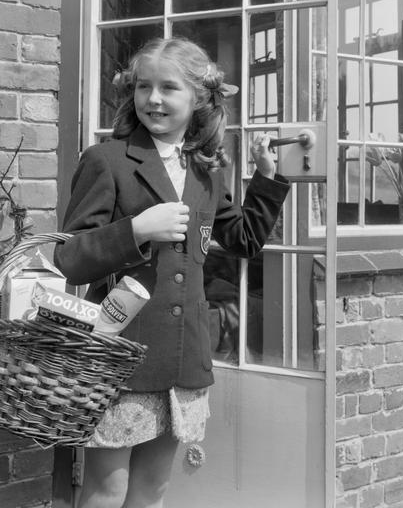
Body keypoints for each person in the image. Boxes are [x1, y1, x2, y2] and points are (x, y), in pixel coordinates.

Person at [54, 36, 290, 508]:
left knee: (154, 489)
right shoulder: (107, 161)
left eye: (168, 88)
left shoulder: (205, 170)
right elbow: (71, 256)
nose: (153, 99)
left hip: (182, 357)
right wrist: (137, 229)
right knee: (106, 489)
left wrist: (267, 177)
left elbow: (242, 240)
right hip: (120, 358)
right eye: (144, 87)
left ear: (199, 99)